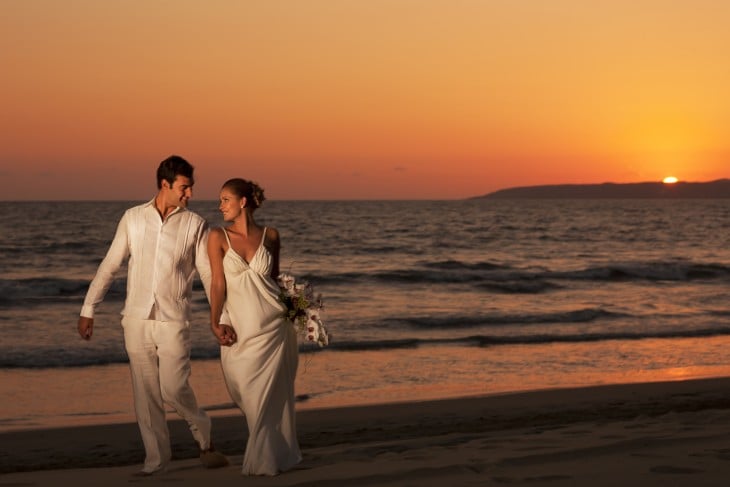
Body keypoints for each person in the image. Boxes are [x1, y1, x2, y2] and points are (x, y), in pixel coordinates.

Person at [77, 155, 229, 476]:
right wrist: (89, 308)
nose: (190, 194)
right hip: (135, 319)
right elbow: (110, 265)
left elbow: (208, 274)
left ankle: (202, 432)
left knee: (172, 388)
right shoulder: (132, 218)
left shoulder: (195, 224)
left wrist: (222, 317)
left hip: (173, 320)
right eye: (184, 188)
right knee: (145, 393)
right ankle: (156, 461)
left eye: (191, 188)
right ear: (165, 184)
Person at [207, 178, 302, 475]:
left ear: (242, 202)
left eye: (225, 199)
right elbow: (218, 283)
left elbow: (273, 280)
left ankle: (265, 460)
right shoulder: (217, 237)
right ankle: (271, 452)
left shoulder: (271, 235)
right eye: (220, 200)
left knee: (271, 394)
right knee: (245, 389)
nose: (220, 205)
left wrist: (298, 307)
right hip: (241, 329)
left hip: (275, 327)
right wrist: (214, 321)